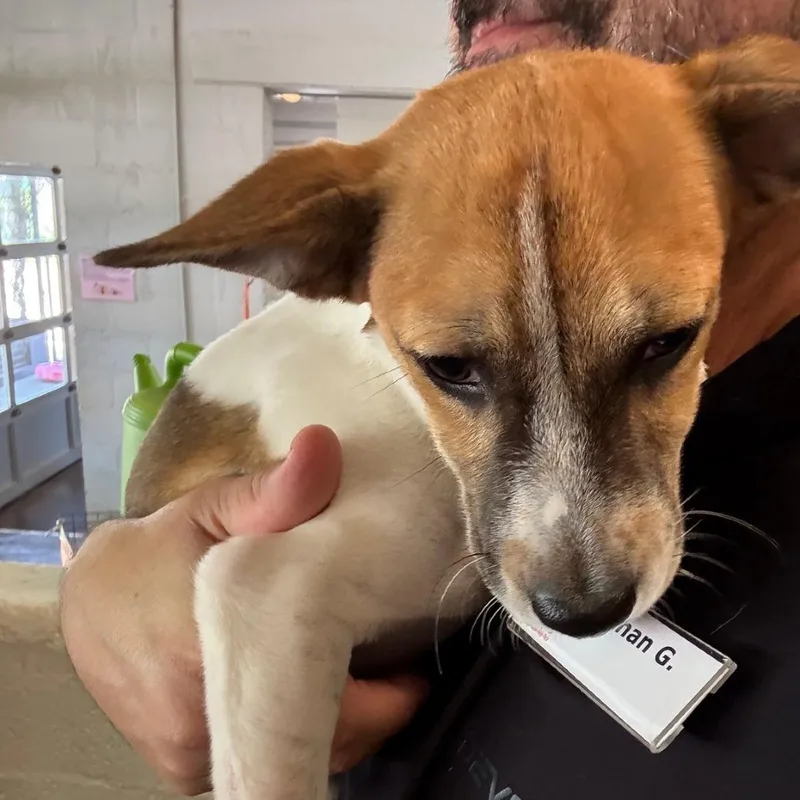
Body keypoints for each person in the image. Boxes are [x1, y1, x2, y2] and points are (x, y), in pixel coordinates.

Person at [61, 1, 800, 797]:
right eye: (454, 365)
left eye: (660, 342)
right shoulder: (408, 270)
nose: (575, 566)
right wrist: (107, 578)